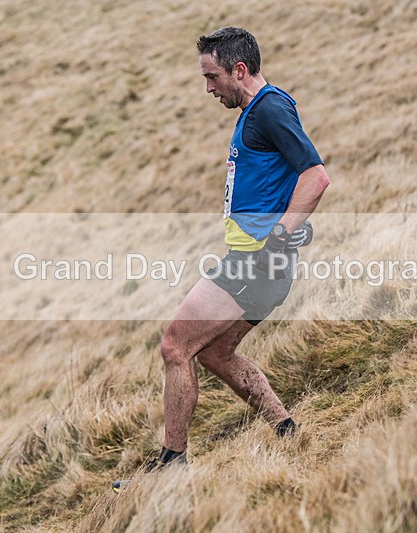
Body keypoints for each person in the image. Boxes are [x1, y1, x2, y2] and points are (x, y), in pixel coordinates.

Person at [124, 26, 330, 479]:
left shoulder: (269, 108)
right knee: (215, 354)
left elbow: (315, 176)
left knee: (176, 345)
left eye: (212, 77)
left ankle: (172, 466)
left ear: (239, 70)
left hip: (256, 263)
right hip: (255, 261)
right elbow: (288, 181)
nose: (208, 88)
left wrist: (281, 233)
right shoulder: (259, 111)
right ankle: (285, 429)